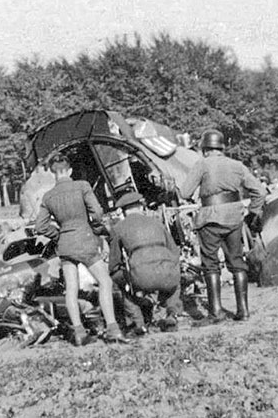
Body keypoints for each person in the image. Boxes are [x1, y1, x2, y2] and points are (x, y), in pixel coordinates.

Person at [34, 154, 128, 346]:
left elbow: (40, 226)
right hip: (85, 240)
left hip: (65, 245)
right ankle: (112, 328)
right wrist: (93, 227)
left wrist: (58, 234)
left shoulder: (48, 196)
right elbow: (97, 212)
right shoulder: (82, 186)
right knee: (105, 281)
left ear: (54, 174)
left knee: (71, 289)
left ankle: (79, 332)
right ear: (69, 170)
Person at [179, 129, 266, 324]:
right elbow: (260, 191)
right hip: (234, 218)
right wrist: (252, 211)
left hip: (209, 219)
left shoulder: (202, 164)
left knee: (210, 265)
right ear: (221, 147)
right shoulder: (237, 165)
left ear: (205, 148)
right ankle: (243, 311)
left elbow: (185, 193)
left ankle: (215, 313)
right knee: (237, 263)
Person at [108, 191, 182, 336]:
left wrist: (123, 276)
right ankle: (171, 314)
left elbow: (114, 264)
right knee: (175, 281)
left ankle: (138, 323)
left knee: (119, 282)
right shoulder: (157, 223)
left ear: (123, 212)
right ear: (141, 207)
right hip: (167, 274)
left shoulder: (118, 228)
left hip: (141, 277)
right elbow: (174, 252)